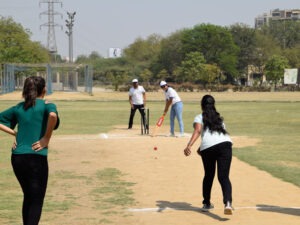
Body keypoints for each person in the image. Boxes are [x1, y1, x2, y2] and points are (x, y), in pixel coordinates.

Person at [0, 76, 60, 225]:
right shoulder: (48, 105)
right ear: (44, 89)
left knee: (29, 196)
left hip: (17, 158)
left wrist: (16, 134)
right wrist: (46, 138)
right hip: (36, 158)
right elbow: (53, 116)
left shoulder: (19, 107)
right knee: (36, 199)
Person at [183, 94, 233, 215]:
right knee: (224, 177)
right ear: (213, 105)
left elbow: (198, 130)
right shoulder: (219, 118)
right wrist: (201, 147)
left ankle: (206, 203)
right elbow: (216, 138)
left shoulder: (199, 117)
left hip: (208, 148)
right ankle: (228, 203)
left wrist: (189, 145)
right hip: (225, 145)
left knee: (209, 175)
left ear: (202, 105)